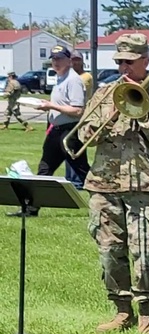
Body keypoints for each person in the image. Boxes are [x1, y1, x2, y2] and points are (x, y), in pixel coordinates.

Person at [78, 33, 149, 334]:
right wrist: (104, 119)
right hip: (104, 184)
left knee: (144, 252)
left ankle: (146, 312)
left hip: (141, 185)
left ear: (145, 61)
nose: (124, 68)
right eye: (120, 61)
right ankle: (121, 310)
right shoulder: (105, 93)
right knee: (109, 252)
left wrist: (143, 114)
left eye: (130, 62)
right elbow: (82, 136)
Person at [8, 45, 90, 218]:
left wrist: (51, 105)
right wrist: (46, 106)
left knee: (83, 173)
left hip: (70, 133)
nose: (55, 62)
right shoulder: (60, 78)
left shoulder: (73, 80)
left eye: (59, 58)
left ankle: (106, 206)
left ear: (69, 60)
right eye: (53, 59)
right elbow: (63, 105)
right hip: (56, 132)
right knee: (44, 170)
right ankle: (31, 209)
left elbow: (78, 110)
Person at [65, 50, 94, 190]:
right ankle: (70, 179)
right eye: (72, 60)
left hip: (80, 118)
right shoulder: (69, 77)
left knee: (76, 151)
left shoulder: (85, 77)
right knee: (67, 149)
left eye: (77, 59)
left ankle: (80, 181)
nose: (75, 62)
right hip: (68, 117)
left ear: (82, 61)